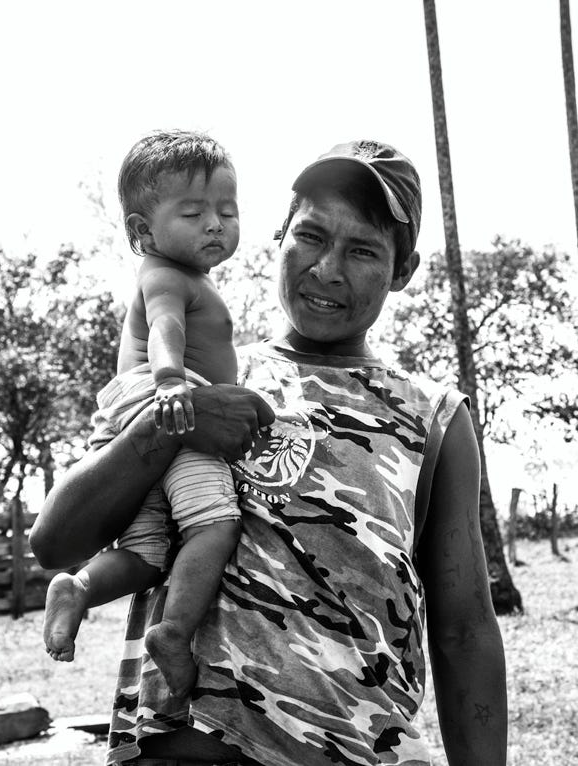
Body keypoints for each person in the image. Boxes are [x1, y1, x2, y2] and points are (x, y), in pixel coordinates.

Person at [31, 139, 507, 766]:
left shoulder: (431, 416)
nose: (327, 269)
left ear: (403, 269)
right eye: (309, 236)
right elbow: (55, 543)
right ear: (279, 235)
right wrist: (175, 423)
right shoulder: (199, 374)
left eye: (362, 249)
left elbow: (464, 629)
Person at [43, 130, 243, 698]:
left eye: (227, 211)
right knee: (214, 520)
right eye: (194, 212)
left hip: (145, 408)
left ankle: (79, 589)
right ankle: (174, 631)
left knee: (145, 553)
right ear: (142, 231)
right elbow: (165, 328)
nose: (215, 224)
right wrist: (172, 382)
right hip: (172, 404)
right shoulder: (165, 276)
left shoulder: (188, 276)